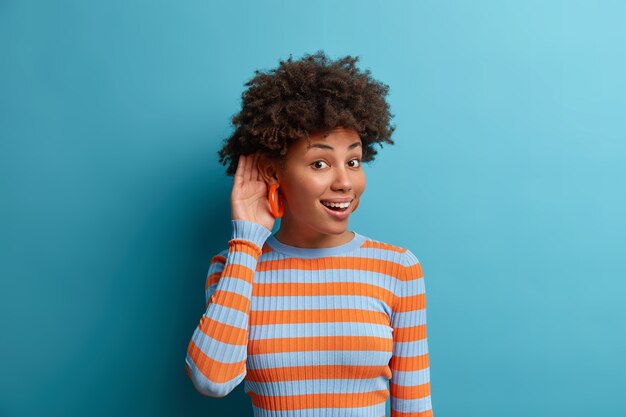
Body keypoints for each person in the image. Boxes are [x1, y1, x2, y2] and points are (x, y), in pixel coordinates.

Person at [185, 51, 434, 417]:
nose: (345, 182)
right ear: (273, 172)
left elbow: (414, 409)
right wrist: (247, 240)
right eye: (320, 163)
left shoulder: (397, 268)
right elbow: (212, 380)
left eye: (353, 161)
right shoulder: (233, 267)